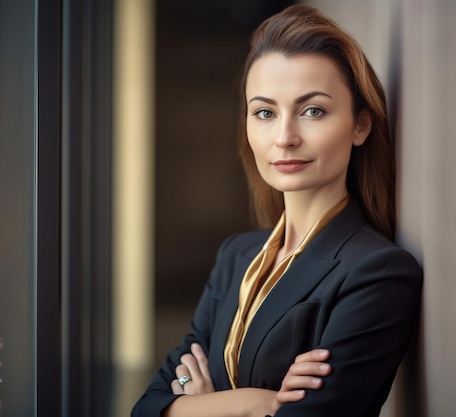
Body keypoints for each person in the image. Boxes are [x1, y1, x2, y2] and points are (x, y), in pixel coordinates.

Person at [131, 5, 422, 417]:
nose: (284, 137)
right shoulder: (237, 255)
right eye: (265, 113)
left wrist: (196, 406)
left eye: (312, 110)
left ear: (360, 125)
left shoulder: (378, 272)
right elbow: (146, 408)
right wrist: (256, 403)